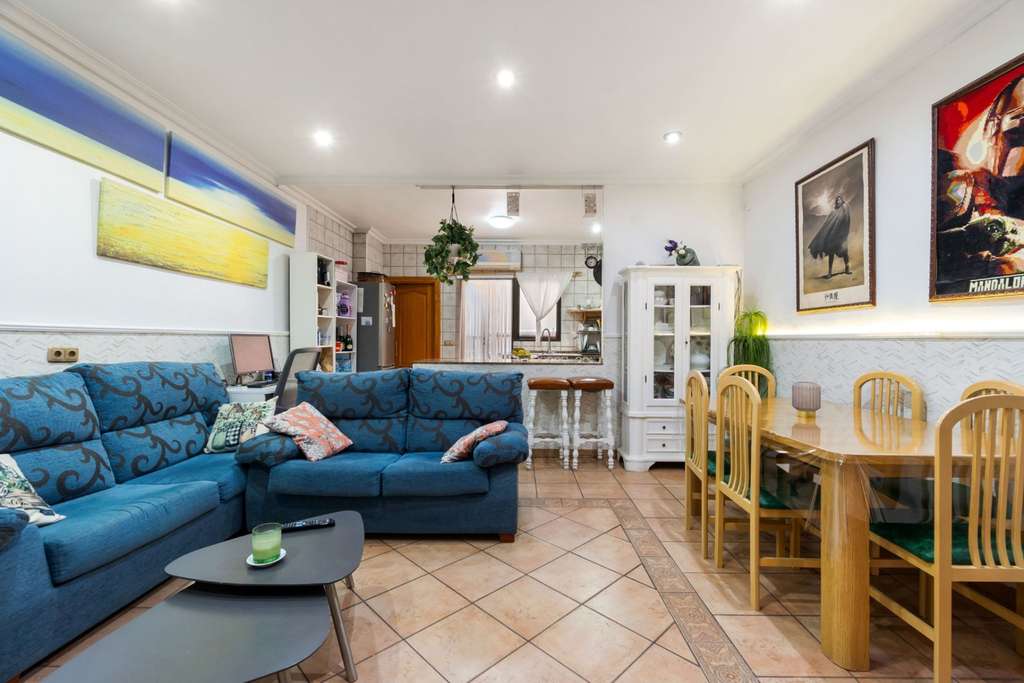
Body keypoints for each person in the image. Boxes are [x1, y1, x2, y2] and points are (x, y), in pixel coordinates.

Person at [808, 195, 851, 278]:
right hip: (833, 236)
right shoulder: (833, 212)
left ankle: (847, 268)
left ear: (842, 201)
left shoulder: (845, 209)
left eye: (839, 200)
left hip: (842, 236)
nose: (838, 201)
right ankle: (830, 273)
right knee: (831, 254)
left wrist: (843, 233)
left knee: (845, 253)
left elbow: (846, 221)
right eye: (837, 200)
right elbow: (827, 224)